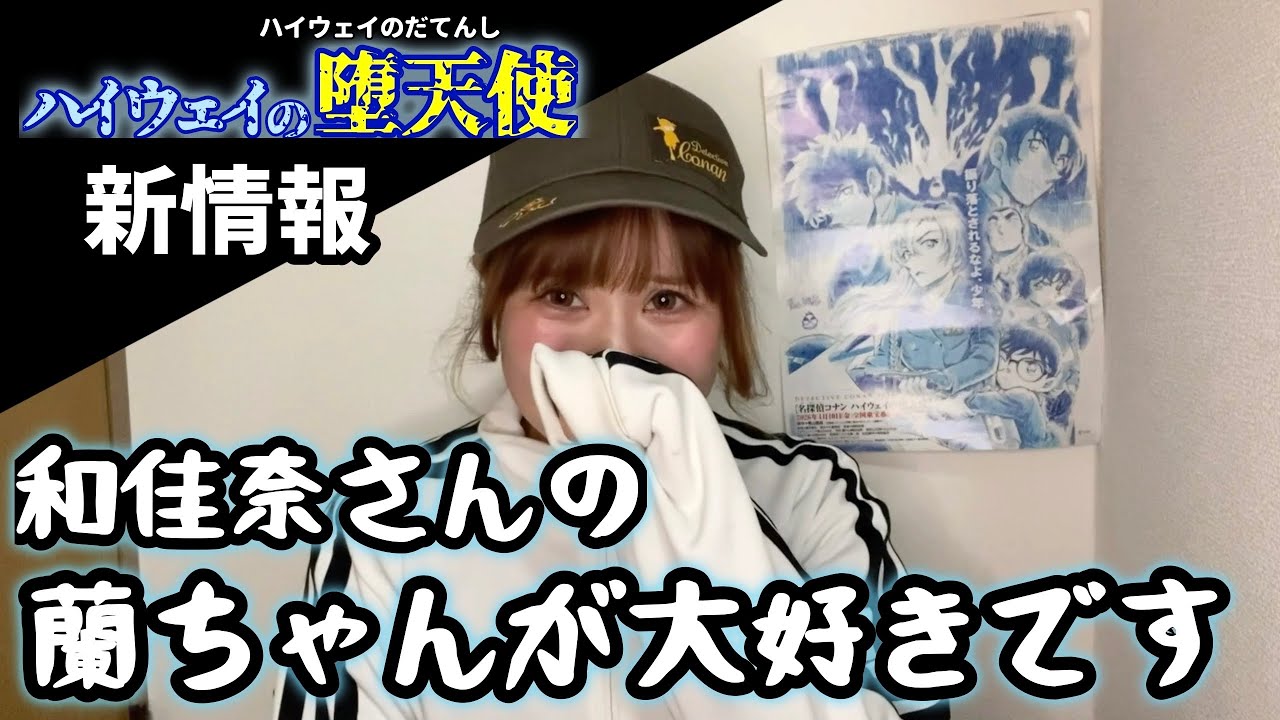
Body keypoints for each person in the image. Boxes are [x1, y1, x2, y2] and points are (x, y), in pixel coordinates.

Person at [272, 73, 948, 720]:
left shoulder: (809, 494)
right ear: (497, 314)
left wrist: (711, 527)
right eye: (562, 295)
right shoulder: (386, 518)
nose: (613, 350)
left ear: (725, 323)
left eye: (667, 299)